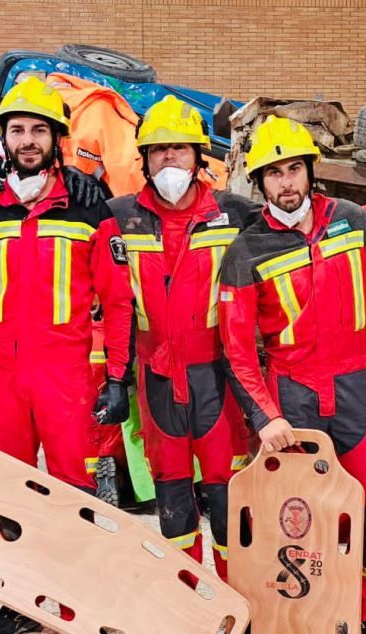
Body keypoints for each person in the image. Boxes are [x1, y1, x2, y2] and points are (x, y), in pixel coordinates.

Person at [0, 76, 134, 634]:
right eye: (18, 130)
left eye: (38, 131)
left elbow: (119, 298)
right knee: (11, 492)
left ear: (57, 139)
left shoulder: (88, 210)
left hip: (66, 376)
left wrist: (119, 377)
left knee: (76, 494)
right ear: (4, 140)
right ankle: (19, 604)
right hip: (0, 378)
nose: (28, 140)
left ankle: (78, 610)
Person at [218, 116, 366, 634]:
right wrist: (265, 417)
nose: (286, 183)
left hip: (353, 384)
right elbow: (235, 347)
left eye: (294, 168)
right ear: (260, 183)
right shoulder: (245, 252)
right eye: (273, 174)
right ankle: (290, 612)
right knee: (291, 510)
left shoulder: (351, 221)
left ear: (310, 170)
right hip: (291, 390)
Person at [107, 95, 257, 578]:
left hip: (217, 376)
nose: (168, 158)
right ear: (144, 160)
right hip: (155, 378)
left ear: (198, 157)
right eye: (158, 150)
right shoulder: (118, 217)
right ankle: (188, 598)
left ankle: (241, 599)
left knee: (226, 493)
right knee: (171, 494)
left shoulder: (236, 215)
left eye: (179, 149)